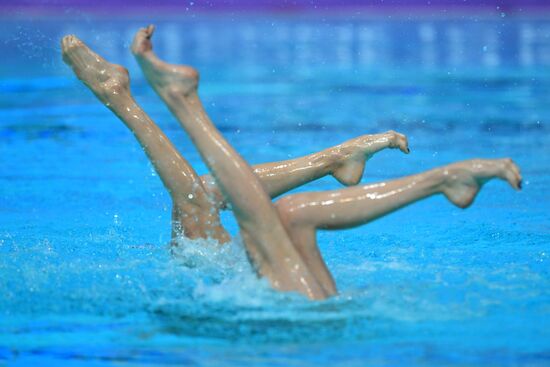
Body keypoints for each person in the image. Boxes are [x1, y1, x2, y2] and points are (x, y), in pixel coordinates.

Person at [61, 25, 522, 300]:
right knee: (219, 204)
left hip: (296, 317)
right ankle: (422, 174)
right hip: (308, 316)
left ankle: (135, 97)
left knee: (253, 209)